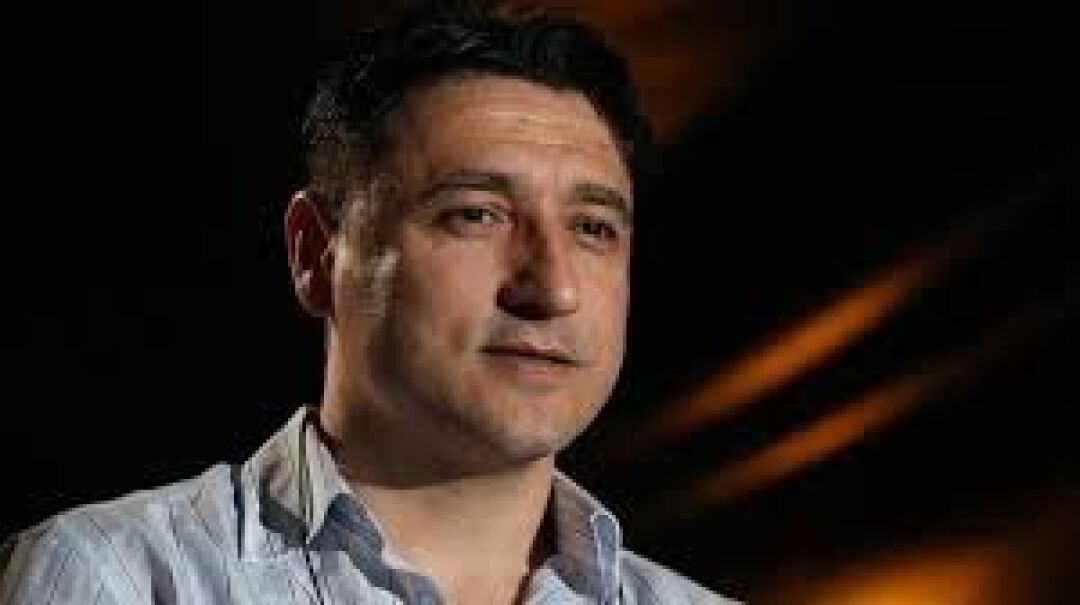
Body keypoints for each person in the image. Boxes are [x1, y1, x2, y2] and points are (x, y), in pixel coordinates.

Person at [2, 3, 739, 603]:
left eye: (593, 228)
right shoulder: (120, 579)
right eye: (474, 214)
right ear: (315, 253)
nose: (553, 288)